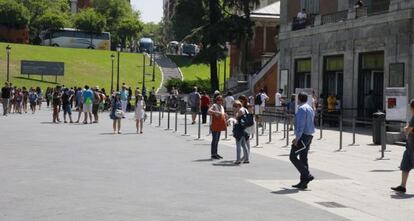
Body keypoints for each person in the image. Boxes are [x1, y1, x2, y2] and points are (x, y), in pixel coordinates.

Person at [290, 92, 315, 190]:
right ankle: (303, 182)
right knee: (303, 158)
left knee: (292, 156)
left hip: (303, 136)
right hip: (309, 135)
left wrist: (297, 138)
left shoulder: (301, 109)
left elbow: (301, 125)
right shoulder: (309, 108)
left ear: (299, 99)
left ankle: (307, 175)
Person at [391, 100, 414, 193]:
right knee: (405, 166)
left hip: (412, 148)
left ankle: (402, 186)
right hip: (409, 148)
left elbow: (407, 130)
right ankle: (402, 186)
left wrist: (406, 129)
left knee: (405, 166)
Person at [209, 95, 227, 160]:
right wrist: (215, 112)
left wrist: (225, 115)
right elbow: (209, 111)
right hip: (215, 123)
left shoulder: (222, 107)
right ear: (216, 100)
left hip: (220, 123)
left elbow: (222, 114)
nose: (219, 101)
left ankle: (215, 153)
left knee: (217, 140)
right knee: (214, 139)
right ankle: (213, 154)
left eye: (221, 100)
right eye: (218, 100)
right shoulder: (214, 105)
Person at [232, 100, 250, 165]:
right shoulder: (245, 109)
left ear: (239, 105)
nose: (234, 107)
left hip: (239, 130)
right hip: (244, 129)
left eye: (235, 106)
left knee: (238, 145)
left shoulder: (240, 111)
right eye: (234, 106)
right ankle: (246, 159)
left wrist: (235, 113)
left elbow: (235, 118)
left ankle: (238, 160)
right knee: (243, 145)